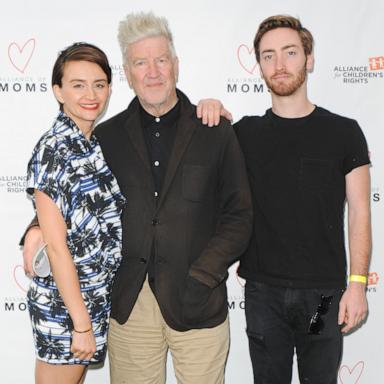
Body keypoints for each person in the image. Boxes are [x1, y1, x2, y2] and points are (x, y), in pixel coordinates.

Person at [21, 12, 252, 384]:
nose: (153, 71)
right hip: (129, 302)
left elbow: (239, 215)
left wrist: (204, 274)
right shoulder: (104, 138)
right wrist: (34, 228)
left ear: (176, 65)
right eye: (140, 63)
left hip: (198, 300)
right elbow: (71, 195)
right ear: (127, 74)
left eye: (161, 60)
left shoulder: (214, 130)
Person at [233, 15, 372, 384]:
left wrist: (357, 283)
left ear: (308, 58)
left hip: (323, 296)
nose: (279, 65)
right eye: (268, 56)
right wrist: (210, 106)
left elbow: (360, 212)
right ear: (259, 65)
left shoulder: (344, 132)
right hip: (263, 294)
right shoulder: (242, 134)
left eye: (290, 52)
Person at [25, 43, 126, 384]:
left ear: (110, 88)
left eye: (99, 84)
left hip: (92, 299)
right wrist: (81, 325)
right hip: (65, 308)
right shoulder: (54, 150)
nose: (91, 94)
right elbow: (57, 247)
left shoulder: (92, 143)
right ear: (58, 90)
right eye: (78, 85)